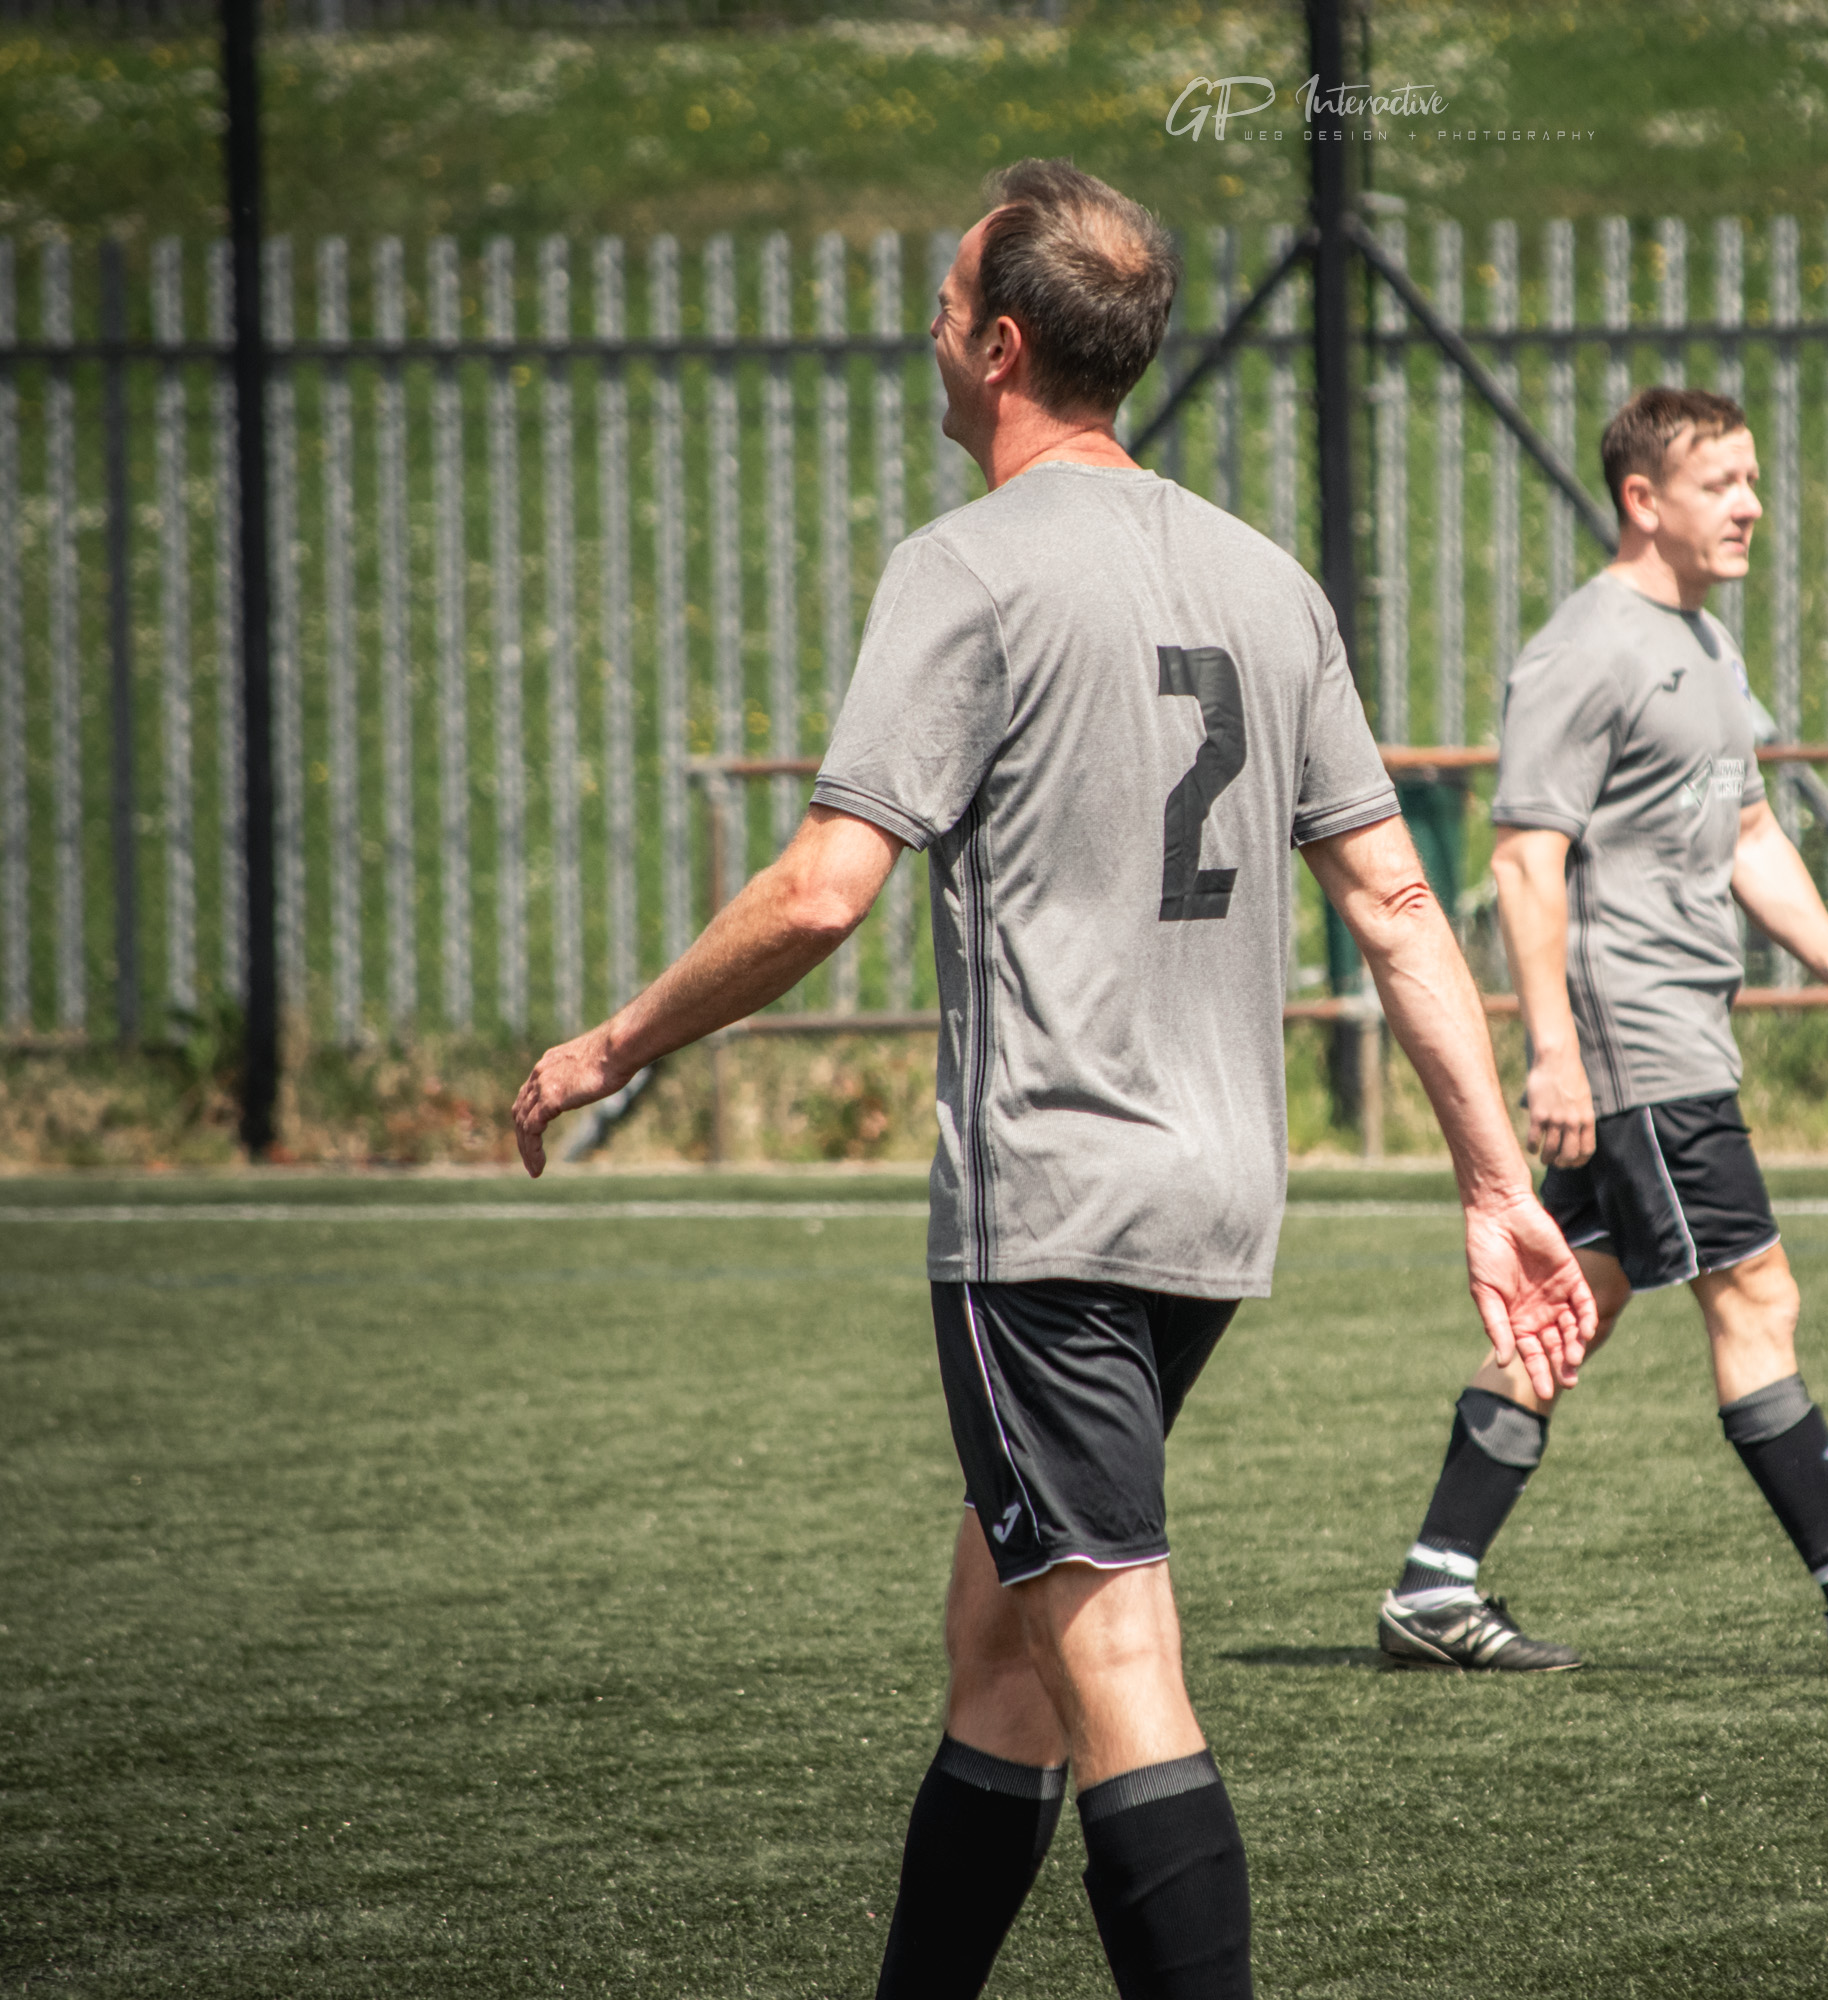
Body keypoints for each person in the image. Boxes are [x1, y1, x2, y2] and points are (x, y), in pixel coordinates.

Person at [510, 159, 1593, 2000]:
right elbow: (1403, 906)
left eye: (944, 312)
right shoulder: (1268, 580)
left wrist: (612, 1048)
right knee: (1001, 1652)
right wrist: (1493, 1183)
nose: (931, 339)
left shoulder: (965, 569)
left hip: (1052, 1214)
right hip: (1217, 1208)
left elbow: (821, 889)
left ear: (1002, 347)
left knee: (1114, 1664)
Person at [1373, 387, 1828, 1678]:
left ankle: (1433, 1589)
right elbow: (1523, 864)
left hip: (1676, 1038)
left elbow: (1748, 835)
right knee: (1757, 1292)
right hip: (1637, 1051)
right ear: (1641, 498)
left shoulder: (1710, 650)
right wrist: (1553, 1050)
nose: (1752, 506)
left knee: (1569, 1311)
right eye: (1723, 482)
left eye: (1754, 479)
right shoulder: (1586, 650)